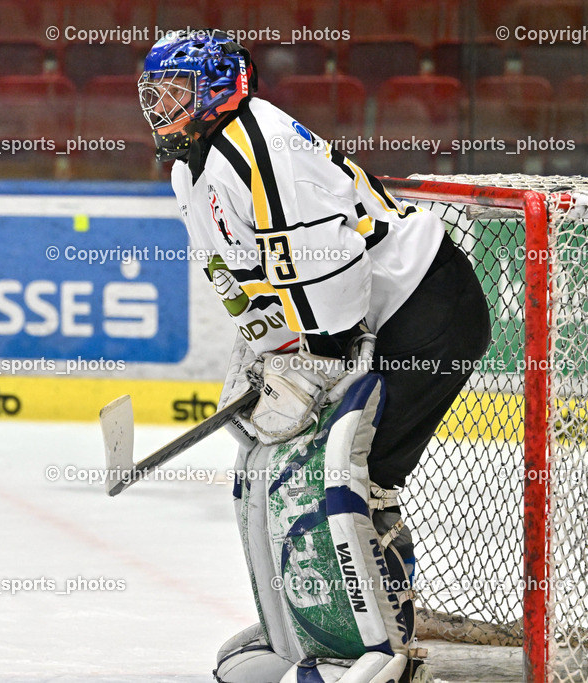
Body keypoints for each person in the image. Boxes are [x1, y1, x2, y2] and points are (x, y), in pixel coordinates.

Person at [138, 29, 490, 683]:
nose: (160, 109)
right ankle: (305, 632)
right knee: (275, 469)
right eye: (152, 96)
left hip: (425, 314)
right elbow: (237, 274)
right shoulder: (190, 166)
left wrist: (317, 363)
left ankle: (381, 649)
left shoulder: (261, 148)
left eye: (175, 93)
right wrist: (265, 354)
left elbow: (332, 266)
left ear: (219, 88)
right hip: (369, 321)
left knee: (355, 475)